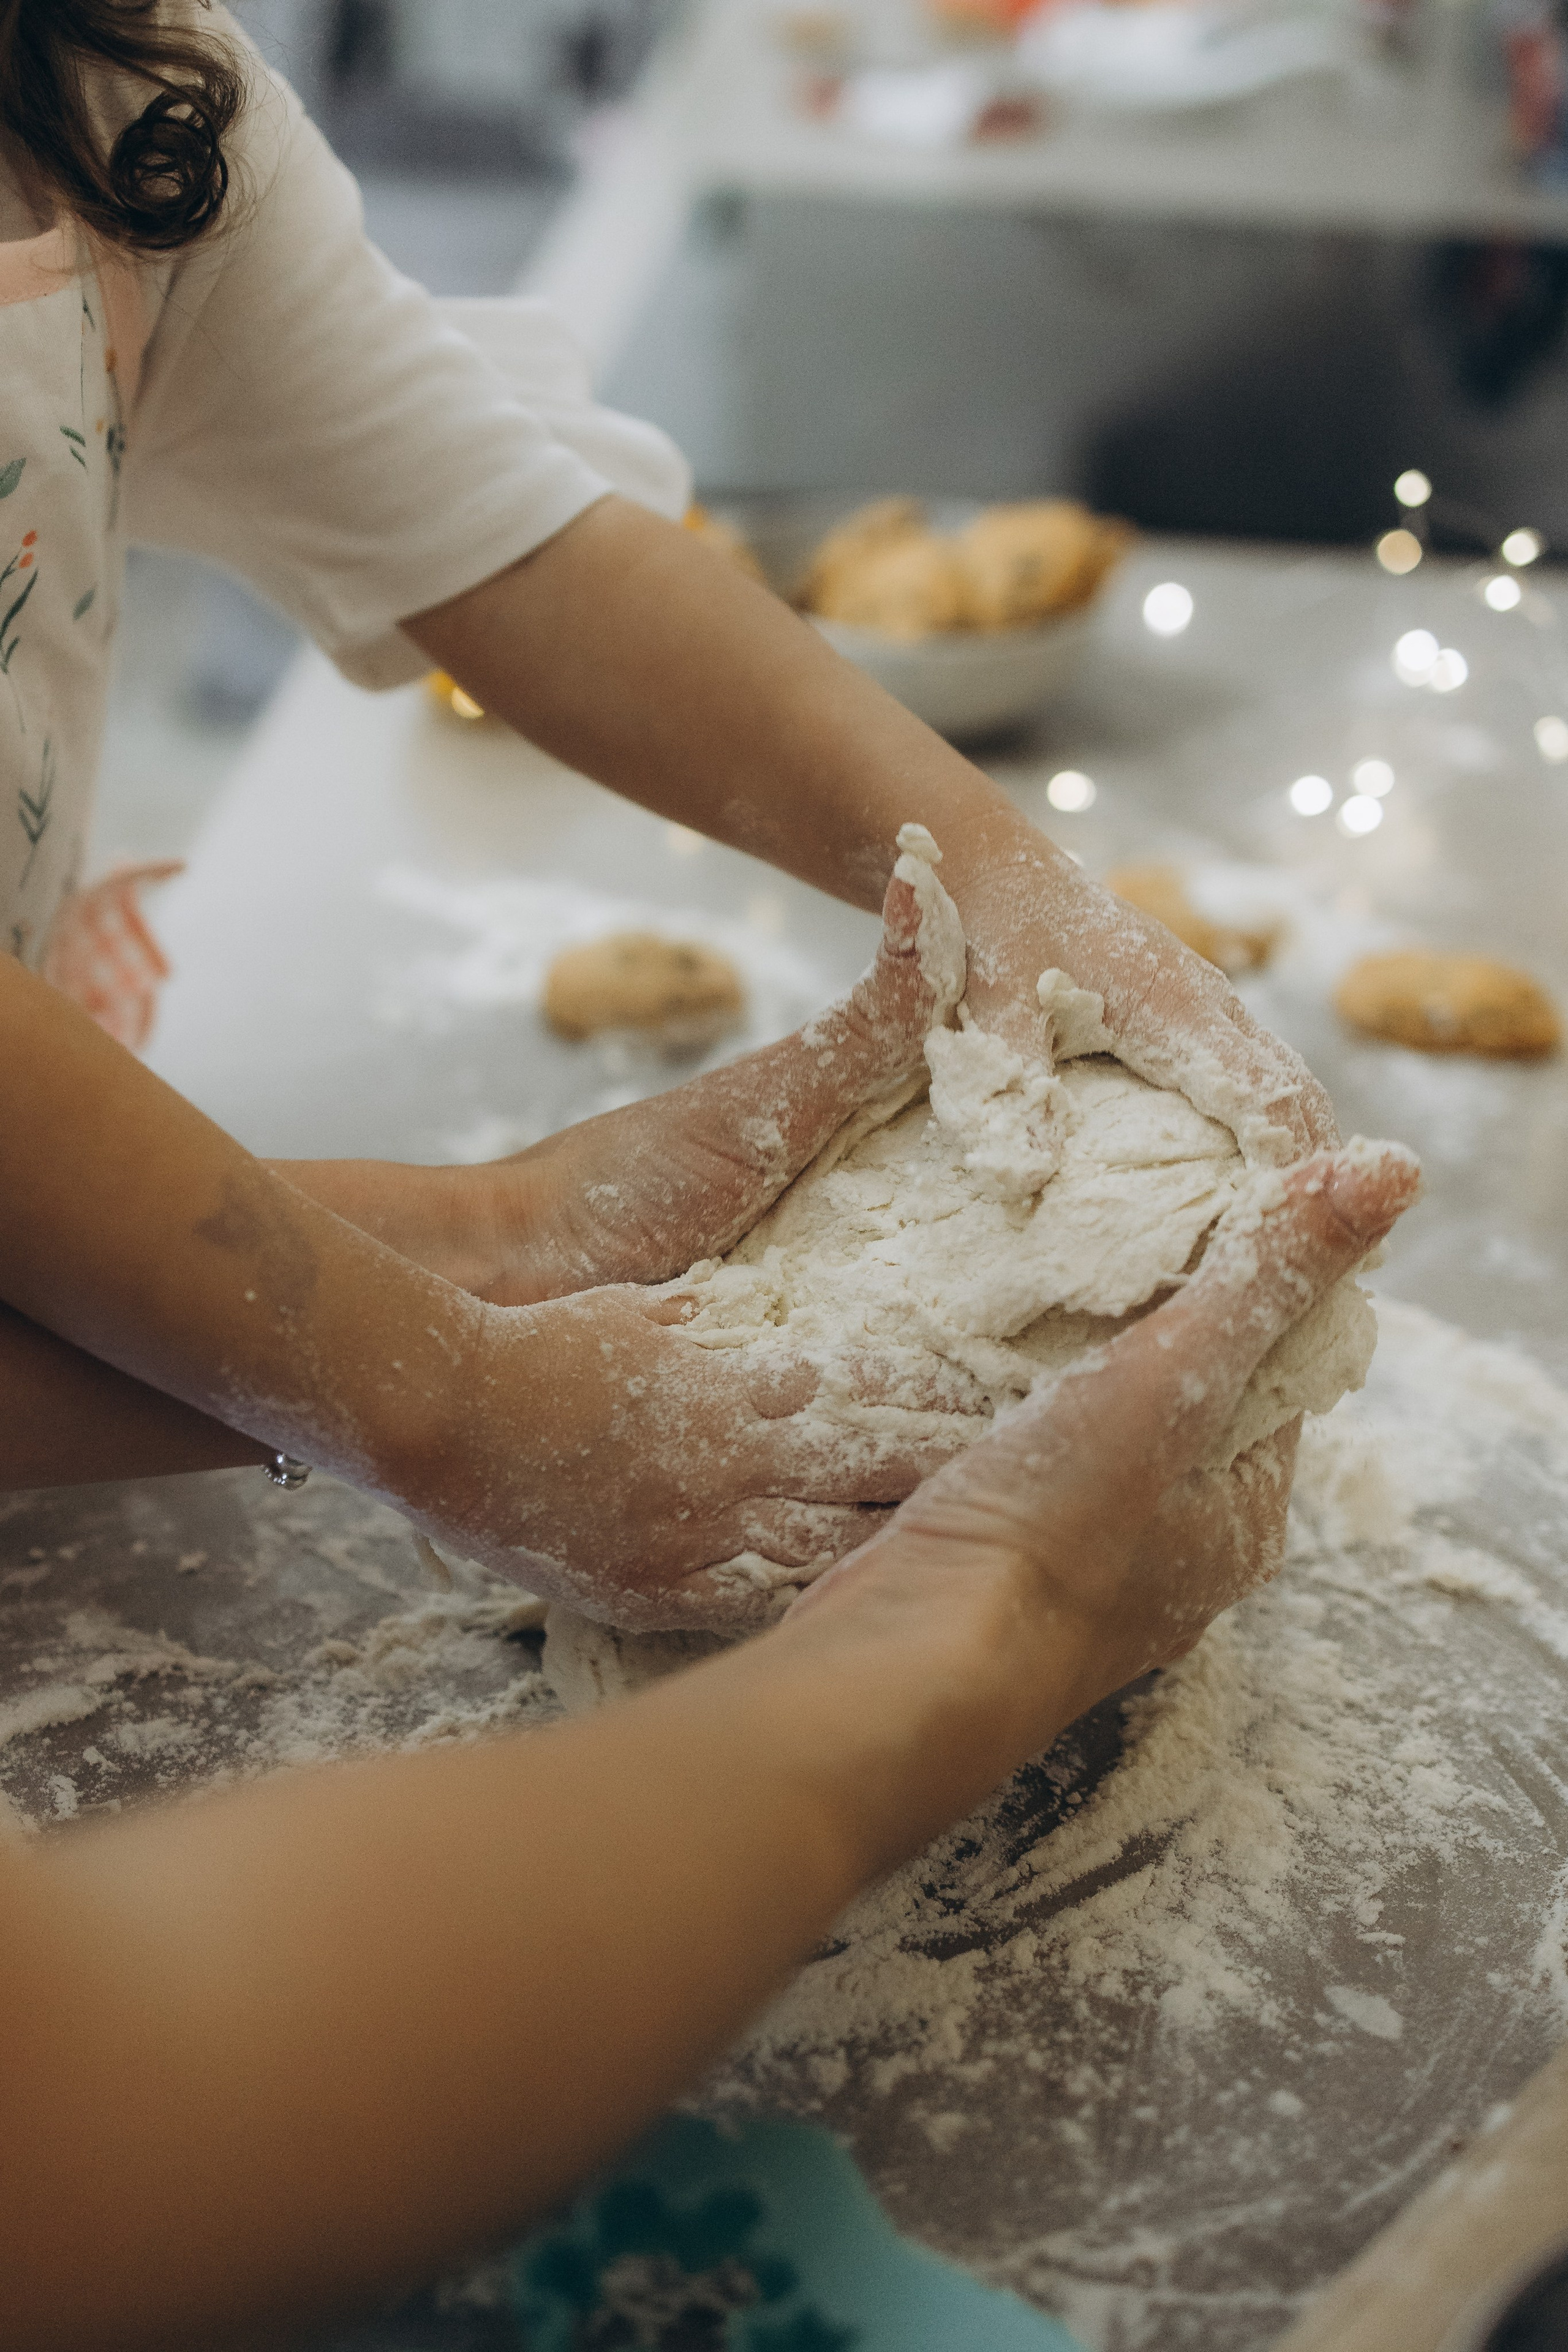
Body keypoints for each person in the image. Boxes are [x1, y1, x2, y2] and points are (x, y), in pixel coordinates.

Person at [0, 4, 1417, 2343]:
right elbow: (112, 2104)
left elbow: (489, 513)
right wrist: (471, 1405)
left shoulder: (95, 76)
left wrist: (991, 890)